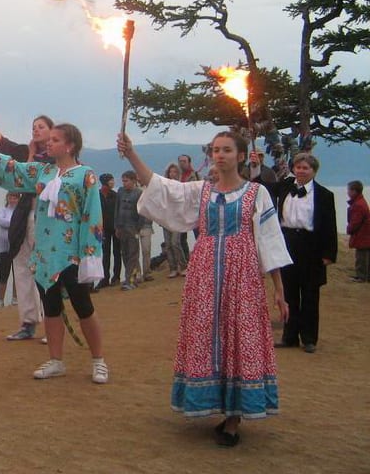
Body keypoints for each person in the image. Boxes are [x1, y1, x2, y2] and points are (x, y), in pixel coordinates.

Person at [119, 130, 290, 447]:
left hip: (242, 276)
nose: (219, 155)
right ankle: (214, 401)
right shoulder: (202, 191)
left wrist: (279, 289)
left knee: (239, 336)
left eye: (226, 150)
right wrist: (131, 154)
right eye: (215, 150)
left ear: (241, 156)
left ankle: (234, 417)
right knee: (207, 335)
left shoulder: (257, 193)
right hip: (205, 274)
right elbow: (161, 187)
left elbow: (269, 241)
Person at [0, 122, 109, 384]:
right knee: (51, 307)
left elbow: (92, 217)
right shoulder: (43, 171)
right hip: (44, 254)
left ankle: (98, 360)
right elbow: (13, 169)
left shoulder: (85, 175)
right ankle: (56, 360)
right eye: (48, 139)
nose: (48, 143)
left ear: (70, 145)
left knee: (83, 306)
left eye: (55, 139)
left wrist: (90, 255)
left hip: (72, 254)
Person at [0, 103, 49, 341]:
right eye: (34, 127)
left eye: (41, 126)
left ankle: (52, 324)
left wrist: (32, 156)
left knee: (45, 270)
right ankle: (28, 322)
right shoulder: (24, 151)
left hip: (46, 218)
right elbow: (0, 141)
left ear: (53, 131)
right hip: (24, 217)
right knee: (22, 269)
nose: (36, 130)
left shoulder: (57, 157)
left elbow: (31, 175)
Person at [251, 151, 337, 353]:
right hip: (287, 244)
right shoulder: (285, 186)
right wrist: (255, 166)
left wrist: (328, 254)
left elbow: (330, 225)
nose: (301, 171)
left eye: (305, 168)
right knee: (288, 293)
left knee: (310, 294)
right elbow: (259, 187)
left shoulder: (325, 195)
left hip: (311, 247)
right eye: (298, 167)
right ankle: (289, 336)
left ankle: (309, 338)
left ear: (314, 171)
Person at [114, 170, 142, 291]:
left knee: (133, 255)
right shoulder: (120, 192)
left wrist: (138, 229)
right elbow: (117, 209)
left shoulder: (139, 193)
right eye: (123, 181)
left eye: (126, 181)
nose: (124, 183)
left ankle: (131, 280)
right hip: (122, 227)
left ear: (133, 181)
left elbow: (142, 213)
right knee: (124, 254)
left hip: (132, 228)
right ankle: (129, 277)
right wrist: (116, 226)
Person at [96, 173, 121, 289]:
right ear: (105, 182)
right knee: (105, 254)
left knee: (117, 252)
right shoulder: (97, 196)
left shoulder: (115, 195)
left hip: (115, 227)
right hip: (103, 229)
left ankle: (116, 277)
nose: (113, 182)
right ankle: (105, 278)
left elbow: (119, 211)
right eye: (111, 180)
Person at [0, 192, 19, 307]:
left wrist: (12, 224)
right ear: (7, 198)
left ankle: (15, 298)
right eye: (11, 197)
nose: (12, 200)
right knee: (3, 275)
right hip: (4, 248)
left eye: (15, 198)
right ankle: (0, 300)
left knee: (16, 274)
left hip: (17, 247)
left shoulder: (20, 211)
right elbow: (1, 221)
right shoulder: (2, 210)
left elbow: (20, 224)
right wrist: (15, 224)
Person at [162, 164, 187, 278]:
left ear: (178, 173)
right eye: (170, 172)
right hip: (166, 219)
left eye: (175, 172)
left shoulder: (181, 186)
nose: (172, 174)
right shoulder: (164, 187)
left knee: (175, 243)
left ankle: (183, 266)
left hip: (178, 219)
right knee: (168, 244)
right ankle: (173, 268)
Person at [347, 181, 370, 283]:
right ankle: (364, 276)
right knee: (364, 256)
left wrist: (349, 229)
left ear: (354, 191)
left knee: (361, 257)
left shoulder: (358, 205)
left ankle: (361, 277)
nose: (347, 192)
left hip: (362, 235)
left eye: (349, 190)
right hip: (364, 235)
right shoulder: (360, 202)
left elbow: (355, 222)